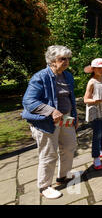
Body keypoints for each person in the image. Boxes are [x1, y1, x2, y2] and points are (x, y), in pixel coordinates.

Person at [22, 45, 78, 199]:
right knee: (49, 154)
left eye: (68, 59)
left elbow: (70, 98)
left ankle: (63, 176)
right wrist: (51, 111)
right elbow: (28, 101)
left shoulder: (68, 76)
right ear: (52, 61)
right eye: (62, 59)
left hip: (66, 119)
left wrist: (75, 117)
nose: (66, 62)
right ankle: (44, 186)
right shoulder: (40, 77)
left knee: (69, 146)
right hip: (46, 122)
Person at [83, 58, 102, 170]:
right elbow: (86, 99)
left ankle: (99, 151)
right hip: (95, 112)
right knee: (97, 134)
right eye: (99, 68)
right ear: (93, 69)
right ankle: (96, 157)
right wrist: (100, 100)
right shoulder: (91, 82)